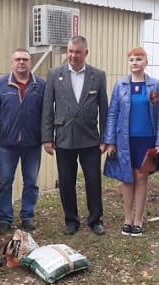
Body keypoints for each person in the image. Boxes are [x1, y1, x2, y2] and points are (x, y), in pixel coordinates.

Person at [41, 35, 108, 236]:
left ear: (85, 53)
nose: (73, 56)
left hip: (90, 138)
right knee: (66, 180)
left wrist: (105, 138)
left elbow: (104, 109)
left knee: (93, 180)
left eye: (78, 52)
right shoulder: (55, 74)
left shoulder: (98, 75)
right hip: (64, 137)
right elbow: (47, 108)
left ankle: (95, 219)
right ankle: (71, 220)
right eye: (70, 51)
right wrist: (47, 137)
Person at [0, 48, 45, 235]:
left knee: (31, 182)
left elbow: (47, 114)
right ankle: (5, 219)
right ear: (12, 63)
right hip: (7, 145)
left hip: (32, 144)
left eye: (25, 59)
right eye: (18, 59)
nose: (21, 62)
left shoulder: (40, 85)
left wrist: (48, 137)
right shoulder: (1, 84)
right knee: (4, 182)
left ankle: (27, 216)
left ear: (30, 62)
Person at [104, 47, 159, 237]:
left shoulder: (154, 86)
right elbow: (112, 113)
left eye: (138, 59)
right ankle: (127, 218)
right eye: (131, 59)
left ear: (146, 62)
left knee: (142, 178)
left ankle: (139, 219)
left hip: (147, 141)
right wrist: (110, 141)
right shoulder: (120, 85)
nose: (134, 62)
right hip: (125, 140)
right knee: (127, 178)